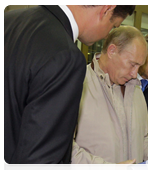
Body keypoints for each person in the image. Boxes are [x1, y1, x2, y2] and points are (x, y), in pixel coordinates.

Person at [4, 5, 135, 170]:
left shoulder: (9, 19)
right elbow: (41, 161)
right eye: (113, 26)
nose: (107, 34)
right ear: (106, 9)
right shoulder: (66, 56)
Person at [71, 26, 148, 170]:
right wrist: (109, 168)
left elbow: (143, 140)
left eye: (139, 66)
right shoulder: (78, 83)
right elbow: (65, 149)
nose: (135, 74)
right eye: (132, 64)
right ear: (112, 51)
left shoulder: (135, 88)